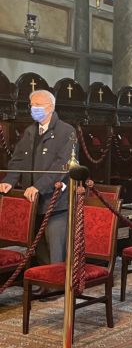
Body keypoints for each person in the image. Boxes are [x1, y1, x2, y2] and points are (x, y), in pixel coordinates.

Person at [0, 89, 75, 265]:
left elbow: (61, 165)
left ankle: (57, 281)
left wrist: (38, 187)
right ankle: (43, 280)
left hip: (56, 203)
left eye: (38, 105)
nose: (34, 108)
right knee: (39, 249)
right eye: (32, 105)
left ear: (51, 107)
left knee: (56, 251)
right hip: (32, 202)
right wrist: (9, 181)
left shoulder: (66, 131)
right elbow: (18, 160)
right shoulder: (30, 131)